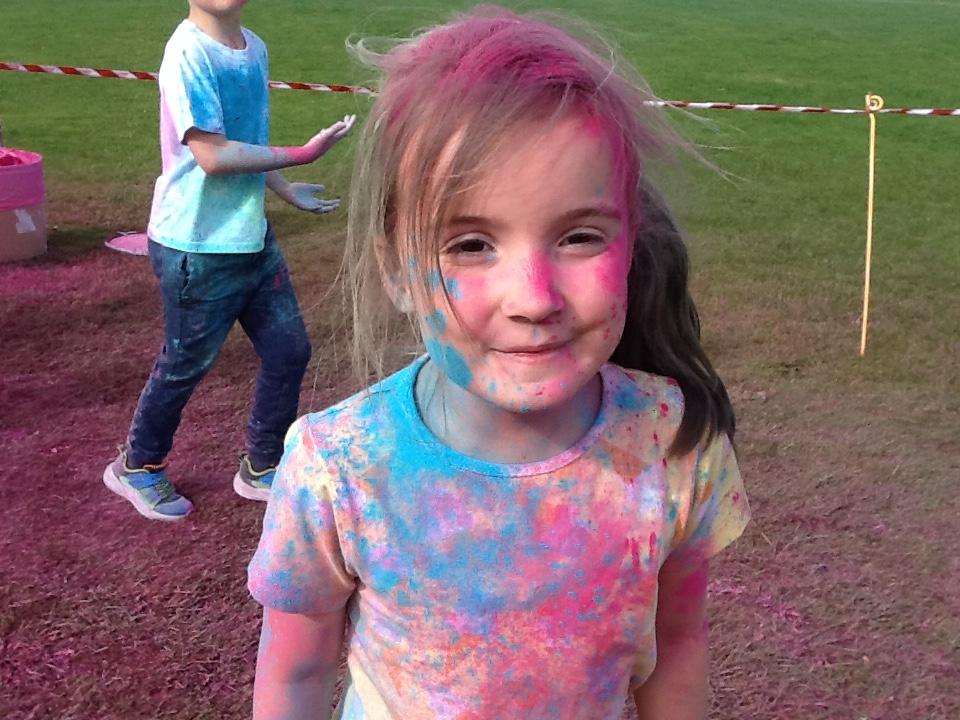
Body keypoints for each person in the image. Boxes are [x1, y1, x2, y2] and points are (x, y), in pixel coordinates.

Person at [247, 5, 750, 719]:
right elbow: (295, 677)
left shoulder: (674, 443)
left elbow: (676, 646)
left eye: (579, 236)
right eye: (471, 245)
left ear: (631, 241)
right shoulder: (340, 466)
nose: (534, 299)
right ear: (395, 267)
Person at [102, 0, 355, 520]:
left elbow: (246, 142)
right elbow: (214, 156)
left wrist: (284, 189)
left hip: (250, 238)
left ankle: (262, 466)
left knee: (289, 351)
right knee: (184, 364)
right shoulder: (187, 53)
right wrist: (301, 154)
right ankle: (137, 465)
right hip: (195, 245)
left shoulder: (253, 48)